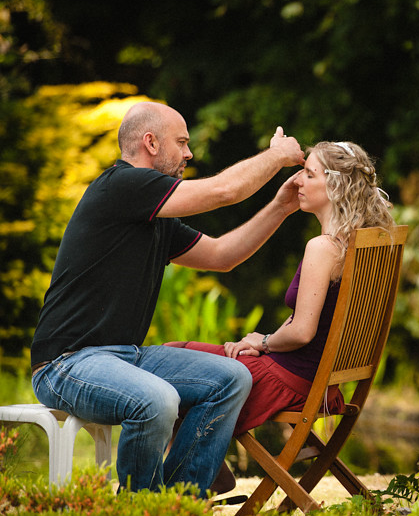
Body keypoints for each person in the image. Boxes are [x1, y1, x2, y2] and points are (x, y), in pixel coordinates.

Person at [30, 101, 305, 495]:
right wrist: (276, 156)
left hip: (124, 356)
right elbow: (224, 191)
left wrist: (280, 207)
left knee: (231, 378)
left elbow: (222, 256)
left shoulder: (154, 216)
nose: (189, 154)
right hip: (66, 363)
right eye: (182, 142)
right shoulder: (122, 186)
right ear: (151, 143)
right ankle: (141, 511)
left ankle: (180, 503)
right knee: (156, 400)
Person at [166, 140, 395, 449]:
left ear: (336, 186)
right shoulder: (361, 244)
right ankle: (199, 470)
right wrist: (262, 344)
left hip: (288, 383)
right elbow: (312, 321)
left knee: (170, 363)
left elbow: (302, 332)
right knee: (178, 355)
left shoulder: (324, 248)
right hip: (316, 382)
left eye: (310, 174)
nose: (298, 180)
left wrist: (262, 342)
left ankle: (183, 474)